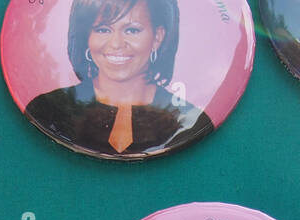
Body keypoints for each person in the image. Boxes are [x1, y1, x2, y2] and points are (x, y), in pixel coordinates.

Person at [24, 0, 213, 158]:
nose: (116, 44)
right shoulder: (48, 110)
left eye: (132, 30)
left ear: (157, 37)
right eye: (103, 29)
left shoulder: (189, 121)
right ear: (87, 37)